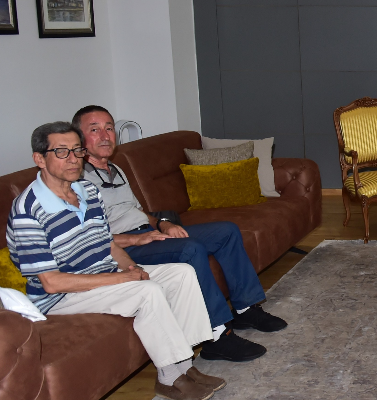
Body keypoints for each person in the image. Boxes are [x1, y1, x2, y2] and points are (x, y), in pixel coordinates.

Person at [9, 122, 225, 400]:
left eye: (77, 150)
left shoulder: (88, 190)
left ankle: (184, 366)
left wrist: (132, 268)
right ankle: (169, 378)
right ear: (39, 159)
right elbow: (51, 283)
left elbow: (108, 244)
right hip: (61, 296)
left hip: (102, 274)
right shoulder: (27, 211)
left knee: (181, 273)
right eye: (62, 152)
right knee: (147, 292)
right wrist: (124, 278)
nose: (73, 159)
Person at [73, 105, 287, 363]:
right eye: (94, 130)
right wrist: (137, 239)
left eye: (109, 128)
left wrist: (161, 224)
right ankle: (216, 336)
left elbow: (138, 212)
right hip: (123, 248)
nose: (105, 135)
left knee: (227, 231)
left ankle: (245, 309)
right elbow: (88, 237)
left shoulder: (115, 169)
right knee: (191, 248)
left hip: (147, 233)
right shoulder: (75, 181)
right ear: (79, 139)